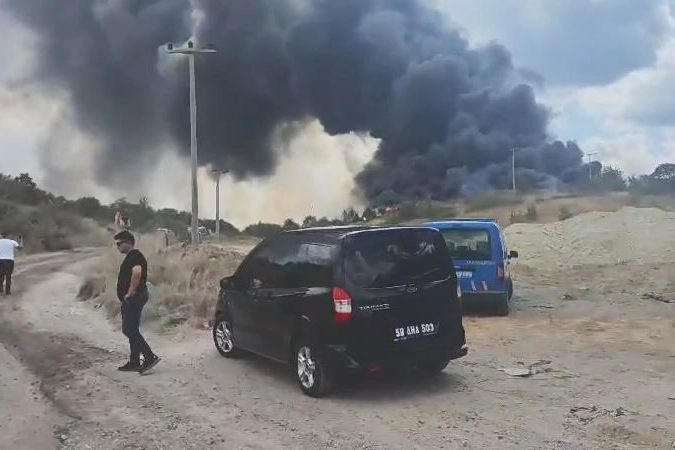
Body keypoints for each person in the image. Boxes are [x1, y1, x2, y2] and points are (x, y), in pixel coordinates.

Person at [114, 230, 160, 373]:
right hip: (134, 297)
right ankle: (134, 361)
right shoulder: (132, 256)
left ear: (128, 242)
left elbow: (137, 272)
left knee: (129, 329)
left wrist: (131, 292)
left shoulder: (135, 255)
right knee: (132, 329)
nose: (117, 246)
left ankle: (149, 357)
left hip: (135, 297)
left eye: (119, 243)